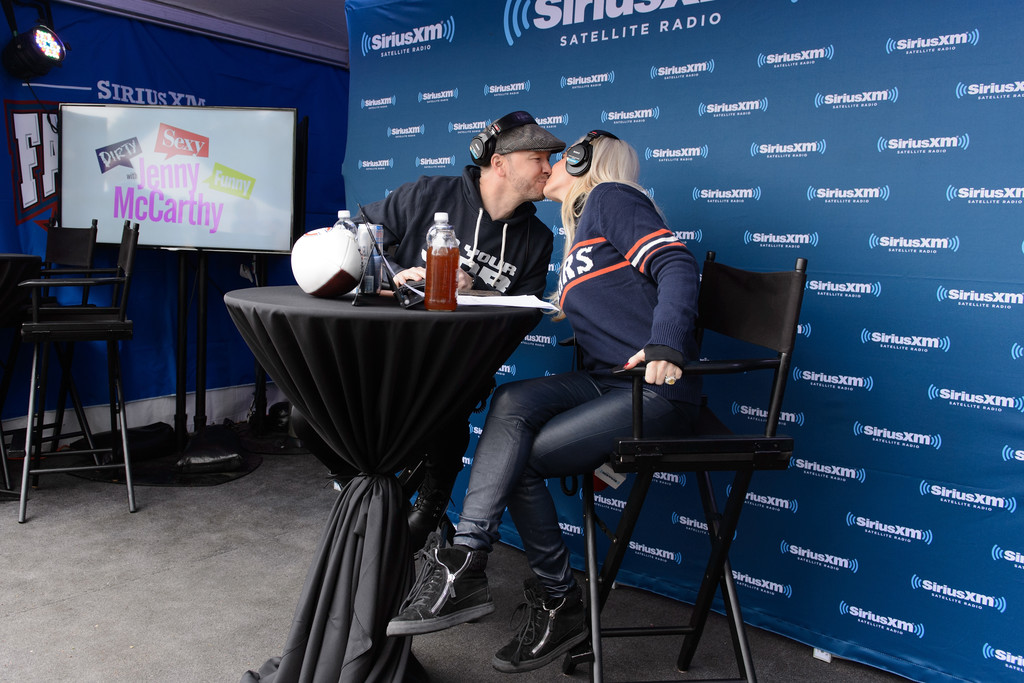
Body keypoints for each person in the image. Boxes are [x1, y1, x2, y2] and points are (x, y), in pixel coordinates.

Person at [385, 130, 702, 673]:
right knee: (511, 400)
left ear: (584, 162)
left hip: (654, 390)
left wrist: (666, 345)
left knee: (522, 459)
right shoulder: (578, 230)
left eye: (561, 156)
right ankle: (469, 557)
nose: (550, 164)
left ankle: (554, 598)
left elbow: (676, 264)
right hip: (609, 381)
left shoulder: (611, 198)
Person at [359, 111, 565, 549]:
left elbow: (520, 316)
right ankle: (359, 492)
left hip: (456, 368)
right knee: (307, 417)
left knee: (449, 405)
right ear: (500, 163)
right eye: (538, 158)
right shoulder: (428, 193)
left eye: (550, 158)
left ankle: (430, 508)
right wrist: (399, 274)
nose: (549, 168)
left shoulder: (538, 238)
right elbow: (360, 235)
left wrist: (478, 290)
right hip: (387, 354)